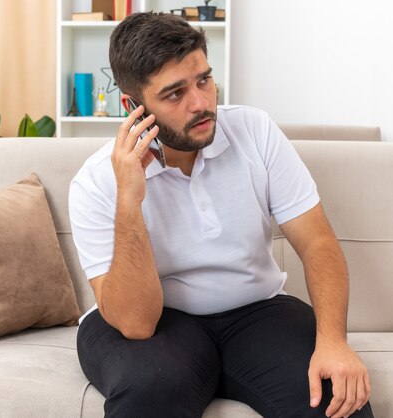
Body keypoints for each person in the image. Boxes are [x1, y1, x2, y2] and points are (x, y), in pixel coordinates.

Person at [69, 12, 374, 418]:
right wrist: (130, 198)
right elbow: (136, 323)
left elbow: (317, 241)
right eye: (175, 94)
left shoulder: (255, 131)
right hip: (155, 326)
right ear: (132, 107)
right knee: (151, 388)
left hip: (256, 312)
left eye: (204, 80)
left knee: (337, 399)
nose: (201, 103)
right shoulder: (95, 182)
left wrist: (334, 341)